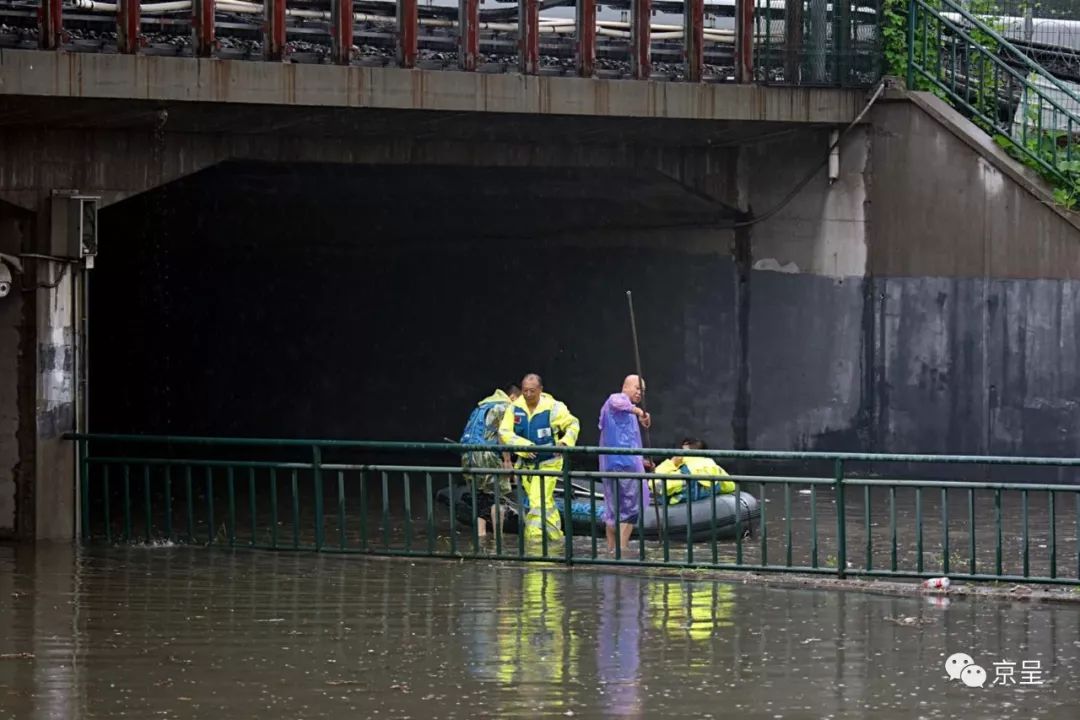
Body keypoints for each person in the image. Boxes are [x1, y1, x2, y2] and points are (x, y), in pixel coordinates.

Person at [498, 373, 580, 543]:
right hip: (526, 466)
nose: (528, 395)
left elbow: (573, 424)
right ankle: (557, 539)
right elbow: (504, 432)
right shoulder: (514, 408)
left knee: (536, 501)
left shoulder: (553, 407)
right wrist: (523, 446)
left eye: (532, 391)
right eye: (525, 391)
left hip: (549, 463)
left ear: (540, 390)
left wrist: (565, 443)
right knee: (545, 502)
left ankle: (534, 543)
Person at [598, 374, 652, 555]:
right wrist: (638, 412)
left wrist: (641, 459)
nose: (639, 393)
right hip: (621, 466)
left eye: (642, 391)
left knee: (616, 508)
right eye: (637, 388)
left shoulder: (629, 413)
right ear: (626, 387)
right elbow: (616, 402)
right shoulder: (617, 400)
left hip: (625, 463)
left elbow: (629, 441)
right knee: (628, 507)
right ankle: (621, 548)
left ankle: (612, 550)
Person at [459, 383, 521, 537]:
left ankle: (481, 536)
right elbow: (503, 435)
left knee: (480, 496)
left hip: (468, 455)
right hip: (487, 455)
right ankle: (498, 539)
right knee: (497, 496)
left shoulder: (482, 406)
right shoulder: (504, 407)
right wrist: (507, 460)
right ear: (513, 397)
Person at [649, 438, 735, 504]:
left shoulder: (684, 471)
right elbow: (730, 486)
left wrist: (671, 464)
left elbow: (654, 484)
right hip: (709, 511)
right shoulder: (713, 466)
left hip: (681, 514)